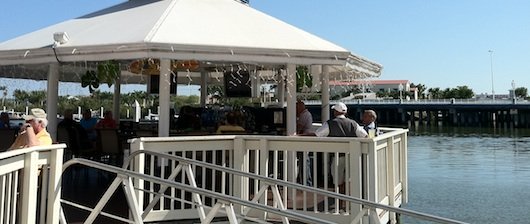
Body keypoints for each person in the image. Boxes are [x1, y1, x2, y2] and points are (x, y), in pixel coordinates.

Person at [312, 102, 367, 192]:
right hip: (351, 154)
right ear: (345, 112)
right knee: (349, 178)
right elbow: (365, 135)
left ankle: (340, 200)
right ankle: (349, 200)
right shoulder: (353, 123)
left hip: (337, 155)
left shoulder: (330, 123)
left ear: (336, 112)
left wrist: (299, 135)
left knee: (337, 180)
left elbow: (317, 134)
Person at [296, 100, 314, 186]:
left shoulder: (304, 115)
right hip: (306, 140)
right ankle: (305, 182)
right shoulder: (307, 114)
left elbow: (299, 127)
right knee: (304, 161)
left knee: (304, 161)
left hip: (304, 140)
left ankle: (306, 183)